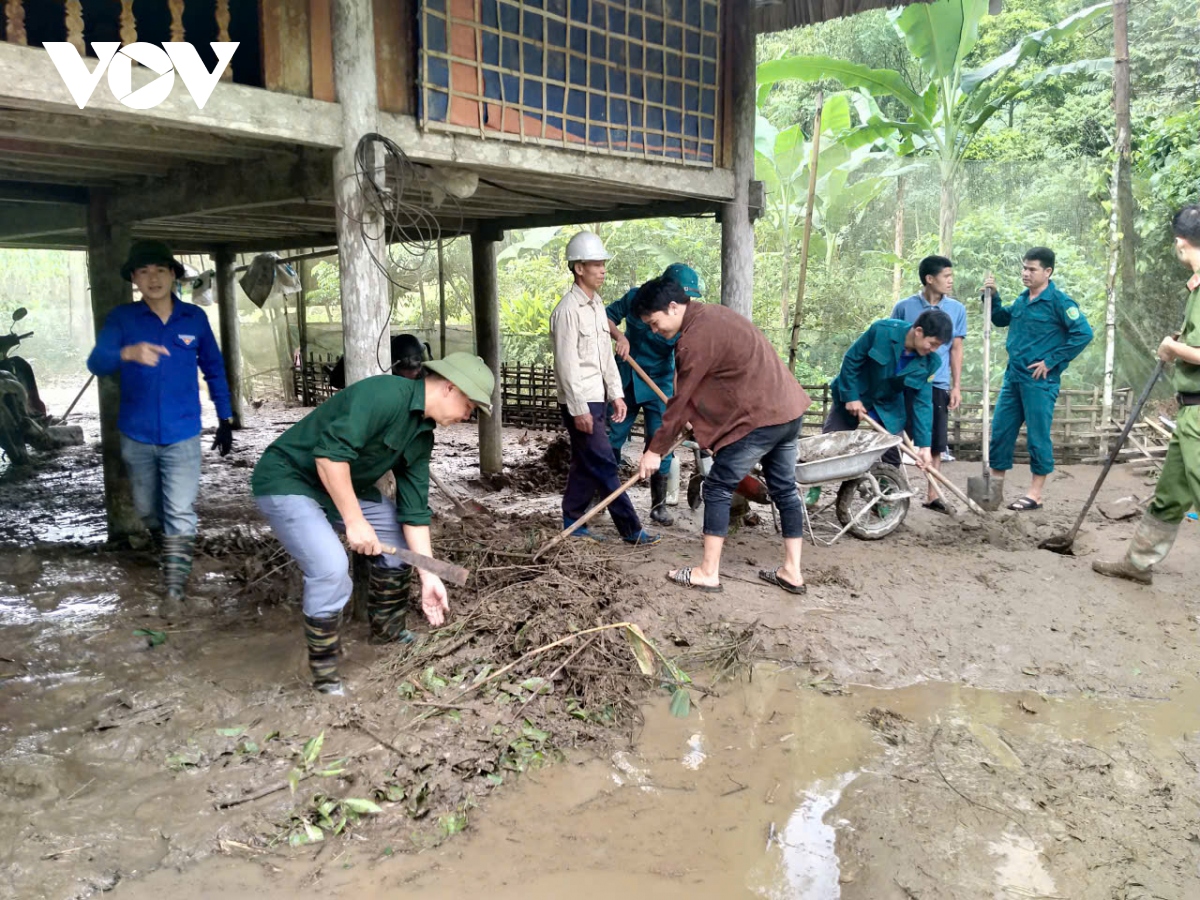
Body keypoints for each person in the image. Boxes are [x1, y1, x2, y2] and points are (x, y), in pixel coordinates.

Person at [251, 353, 495, 695]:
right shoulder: (383, 395)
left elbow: (414, 511)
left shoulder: (422, 435)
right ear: (449, 388)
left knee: (398, 543)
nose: (468, 415)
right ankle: (326, 678)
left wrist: (429, 573)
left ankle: (387, 631)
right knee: (331, 568)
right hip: (289, 479)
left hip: (341, 486)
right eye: (470, 406)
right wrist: (355, 521)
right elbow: (328, 457)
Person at [633, 278, 810, 593]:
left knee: (716, 487)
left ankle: (708, 572)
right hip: (788, 411)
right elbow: (721, 383)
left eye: (655, 323)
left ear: (673, 307)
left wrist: (654, 451)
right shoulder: (715, 316)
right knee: (784, 490)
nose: (654, 331)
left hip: (761, 419)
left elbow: (681, 400)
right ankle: (792, 571)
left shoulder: (694, 339)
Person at [87, 240, 234, 617]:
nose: (153, 278)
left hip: (183, 433)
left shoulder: (194, 320)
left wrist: (225, 417)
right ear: (134, 278)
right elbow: (96, 362)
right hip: (136, 434)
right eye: (144, 271)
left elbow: (215, 369)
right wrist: (126, 353)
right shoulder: (122, 319)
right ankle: (167, 549)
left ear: (173, 275)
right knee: (149, 511)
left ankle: (174, 591)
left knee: (180, 509)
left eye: (160, 270)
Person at [1094, 206, 1200, 584]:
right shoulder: (1195, 287)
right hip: (1189, 412)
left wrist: (1172, 349)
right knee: (1171, 494)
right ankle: (1138, 563)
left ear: (1180, 243)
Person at [550, 231, 659, 545]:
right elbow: (566, 366)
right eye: (596, 264)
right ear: (578, 268)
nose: (602, 269)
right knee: (604, 462)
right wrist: (579, 408)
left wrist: (616, 394)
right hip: (580, 401)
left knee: (586, 462)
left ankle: (573, 520)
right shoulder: (567, 311)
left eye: (603, 264)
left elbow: (605, 358)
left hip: (598, 397)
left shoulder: (597, 305)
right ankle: (631, 529)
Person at [982, 248, 1093, 510]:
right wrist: (992, 297)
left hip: (1039, 382)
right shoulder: (1022, 300)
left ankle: (1035, 495)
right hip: (1014, 378)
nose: (1025, 273)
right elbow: (999, 319)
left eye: (1032, 269)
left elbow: (1083, 334)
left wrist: (1052, 361)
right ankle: (993, 493)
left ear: (1048, 272)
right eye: (1024, 268)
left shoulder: (1060, 303)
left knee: (1037, 437)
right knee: (1000, 432)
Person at [606, 262, 705, 526]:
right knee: (612, 436)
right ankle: (603, 494)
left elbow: (682, 365)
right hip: (627, 378)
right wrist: (620, 337)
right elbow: (604, 317)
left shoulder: (685, 321)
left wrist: (676, 401)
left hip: (659, 382)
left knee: (660, 442)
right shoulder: (637, 299)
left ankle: (658, 505)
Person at [823, 309, 953, 472]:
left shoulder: (930, 362)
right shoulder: (882, 331)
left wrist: (924, 447)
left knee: (892, 453)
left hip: (888, 404)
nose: (933, 350)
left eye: (937, 346)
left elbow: (923, 404)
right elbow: (851, 360)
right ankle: (815, 488)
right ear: (919, 331)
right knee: (829, 444)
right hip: (856, 391)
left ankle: (888, 490)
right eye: (932, 344)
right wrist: (851, 397)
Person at [890, 256, 968, 512]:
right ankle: (890, 489)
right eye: (946, 276)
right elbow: (894, 339)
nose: (950, 280)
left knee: (934, 440)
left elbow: (956, 349)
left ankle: (932, 494)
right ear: (929, 279)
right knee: (893, 436)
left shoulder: (956, 309)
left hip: (936, 382)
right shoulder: (904, 307)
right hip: (903, 382)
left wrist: (955, 386)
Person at [328, 333, 432, 390]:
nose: (420, 370)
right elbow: (335, 381)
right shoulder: (376, 364)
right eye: (415, 368)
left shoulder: (405, 348)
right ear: (396, 365)